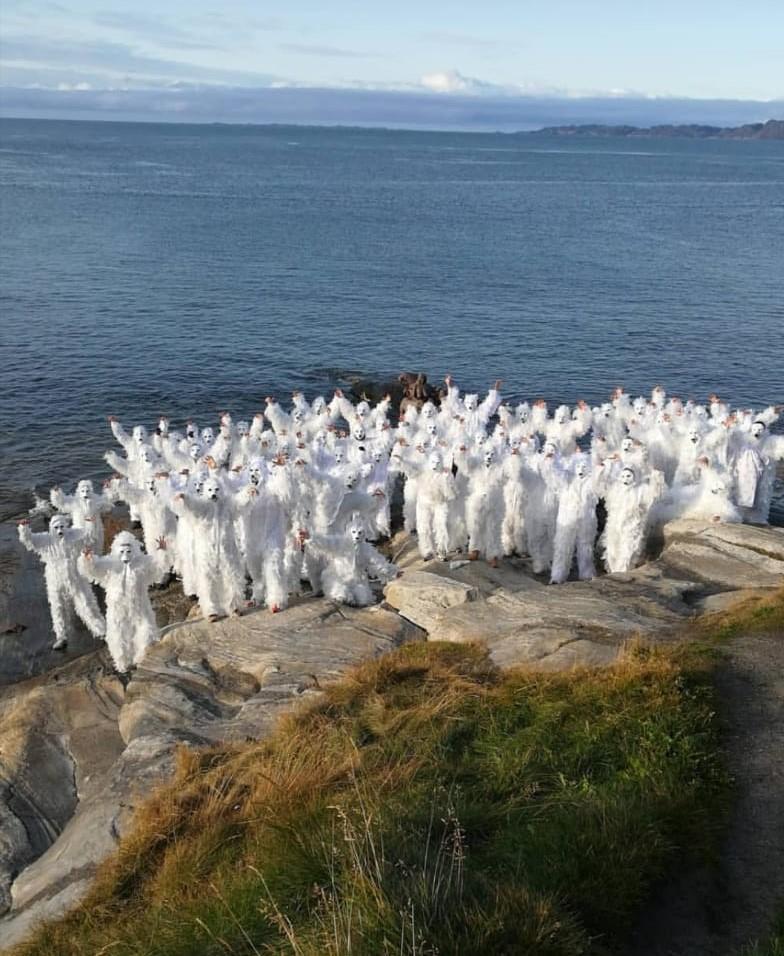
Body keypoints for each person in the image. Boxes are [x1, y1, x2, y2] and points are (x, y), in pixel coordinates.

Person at [79, 531, 163, 673]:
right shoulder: (109, 564)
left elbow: (157, 569)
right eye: (122, 551)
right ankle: (122, 663)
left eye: (129, 551)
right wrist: (87, 559)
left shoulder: (142, 563)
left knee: (146, 630)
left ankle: (141, 658)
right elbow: (93, 570)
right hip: (117, 609)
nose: (125, 554)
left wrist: (162, 552)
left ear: (134, 550)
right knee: (118, 634)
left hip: (140, 607)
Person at [18, 514, 105, 650]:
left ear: (66, 526)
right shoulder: (45, 540)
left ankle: (100, 630)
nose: (60, 530)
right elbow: (29, 541)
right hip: (55, 580)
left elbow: (89, 536)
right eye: (56, 527)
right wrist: (24, 528)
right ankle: (61, 636)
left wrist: (89, 523)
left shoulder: (74, 535)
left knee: (86, 603)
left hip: (75, 577)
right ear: (52, 528)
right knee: (57, 607)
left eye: (62, 527)